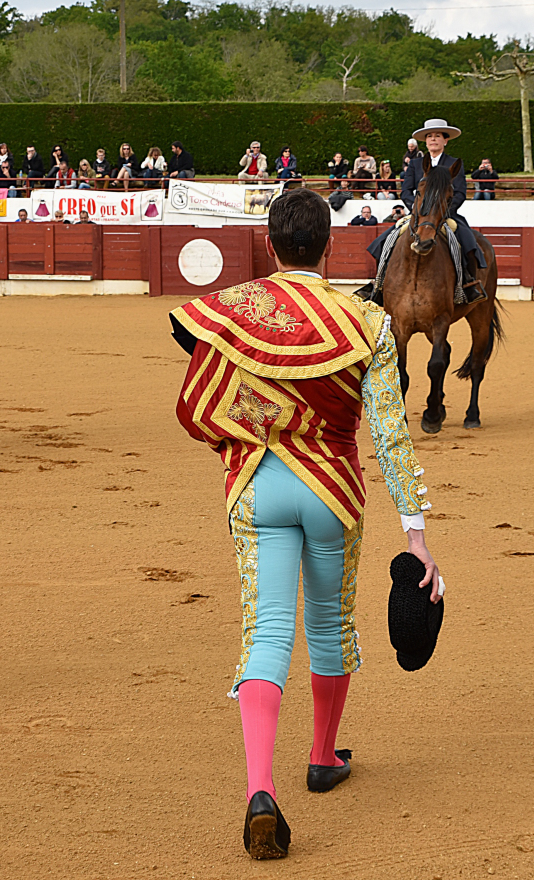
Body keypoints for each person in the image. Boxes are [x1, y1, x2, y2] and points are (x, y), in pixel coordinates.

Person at [168, 187, 443, 859]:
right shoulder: (366, 322)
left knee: (265, 632)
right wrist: (416, 532)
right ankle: (322, 756)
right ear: (330, 247)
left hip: (258, 486)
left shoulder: (234, 311)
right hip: (332, 490)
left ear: (269, 245)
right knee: (329, 626)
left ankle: (261, 789)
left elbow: (204, 399)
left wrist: (247, 435)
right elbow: (389, 431)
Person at [365, 118, 485, 302]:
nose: (433, 139)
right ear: (425, 141)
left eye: (438, 136)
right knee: (386, 240)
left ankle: (467, 284)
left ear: (446, 140)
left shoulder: (453, 164)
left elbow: (460, 193)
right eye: (429, 136)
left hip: (446, 216)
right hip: (417, 215)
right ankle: (379, 283)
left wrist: (441, 212)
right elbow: (405, 191)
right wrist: (418, 210)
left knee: (467, 241)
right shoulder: (415, 164)